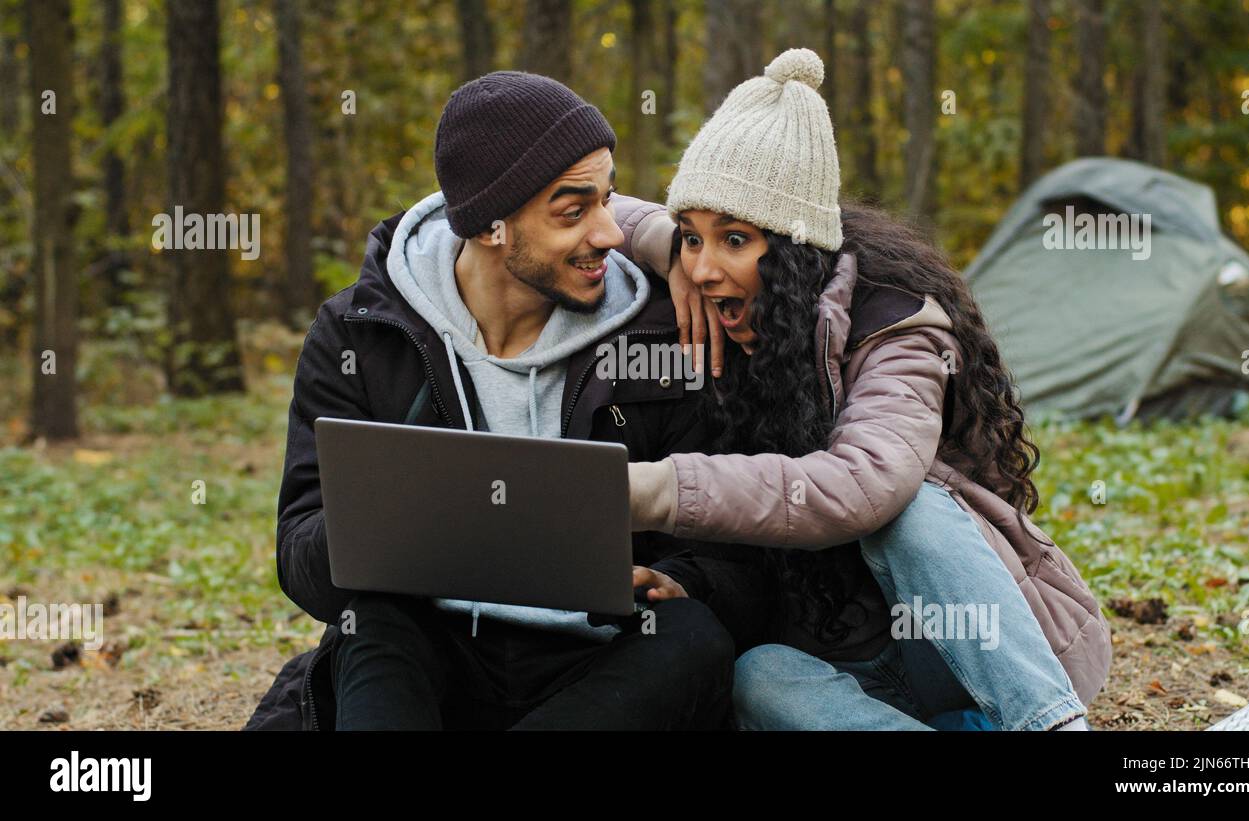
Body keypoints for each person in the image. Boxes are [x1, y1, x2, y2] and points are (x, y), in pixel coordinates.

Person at [245, 71, 760, 731]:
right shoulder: (362, 333)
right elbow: (301, 558)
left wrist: (683, 581)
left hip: (601, 656)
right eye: (573, 211)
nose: (609, 232)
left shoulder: (664, 334)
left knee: (692, 635)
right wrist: (385, 523)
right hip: (432, 646)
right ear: (491, 227)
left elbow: (740, 556)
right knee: (371, 620)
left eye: (607, 199)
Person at [616, 49, 1112, 730]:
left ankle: (1053, 727)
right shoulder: (724, 316)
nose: (704, 268)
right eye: (692, 239)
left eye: (734, 239)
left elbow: (862, 485)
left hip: (956, 654)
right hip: (846, 670)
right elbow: (592, 204)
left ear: (794, 251)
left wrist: (653, 488)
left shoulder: (898, 326)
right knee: (757, 675)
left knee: (907, 511)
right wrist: (661, 245)